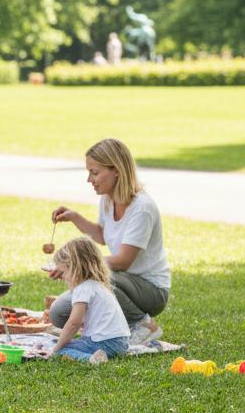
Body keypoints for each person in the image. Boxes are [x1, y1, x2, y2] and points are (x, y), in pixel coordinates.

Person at [48, 138, 171, 345]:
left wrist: (77, 264)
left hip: (150, 290)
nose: (89, 179)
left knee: (97, 274)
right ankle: (107, 326)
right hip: (119, 281)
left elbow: (122, 262)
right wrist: (74, 217)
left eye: (95, 173)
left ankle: (143, 323)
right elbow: (102, 235)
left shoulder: (142, 208)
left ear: (117, 171)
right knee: (59, 313)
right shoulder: (108, 199)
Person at [46, 237, 130, 363]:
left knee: (61, 350)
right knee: (70, 343)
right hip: (121, 343)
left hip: (103, 343)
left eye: (64, 272)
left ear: (74, 268)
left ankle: (91, 358)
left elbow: (74, 323)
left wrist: (57, 348)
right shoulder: (99, 285)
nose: (63, 277)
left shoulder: (83, 289)